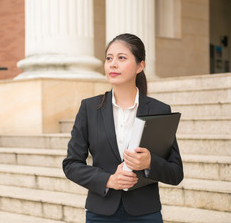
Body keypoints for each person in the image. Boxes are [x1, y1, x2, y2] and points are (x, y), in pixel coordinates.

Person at [62, 33, 184, 222]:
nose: (113, 64)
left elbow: (175, 173)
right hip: (100, 214)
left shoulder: (159, 110)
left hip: (145, 213)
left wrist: (150, 163)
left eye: (121, 58)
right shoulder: (90, 108)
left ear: (140, 66)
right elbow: (71, 164)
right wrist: (108, 180)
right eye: (109, 58)